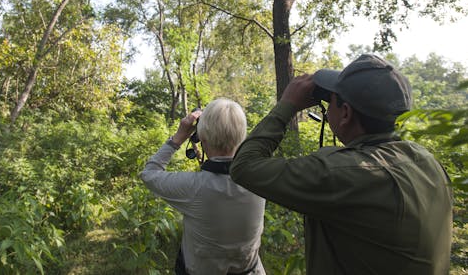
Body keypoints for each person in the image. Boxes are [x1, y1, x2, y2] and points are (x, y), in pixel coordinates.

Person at [230, 54, 453, 275]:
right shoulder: (425, 160)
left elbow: (244, 166)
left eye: (332, 100)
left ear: (345, 113)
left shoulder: (344, 174)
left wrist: (287, 105)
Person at [140, 98, 266, 275]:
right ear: (242, 137)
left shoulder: (194, 187)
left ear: (202, 138)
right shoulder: (260, 180)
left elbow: (149, 174)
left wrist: (178, 138)